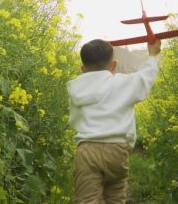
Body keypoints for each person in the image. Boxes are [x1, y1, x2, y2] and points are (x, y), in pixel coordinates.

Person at [67, 38, 162, 204]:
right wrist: (152, 55)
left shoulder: (76, 88)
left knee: (87, 200)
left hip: (87, 149)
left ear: (83, 69)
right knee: (116, 197)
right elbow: (145, 78)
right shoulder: (122, 83)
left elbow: (74, 120)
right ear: (113, 65)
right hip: (117, 149)